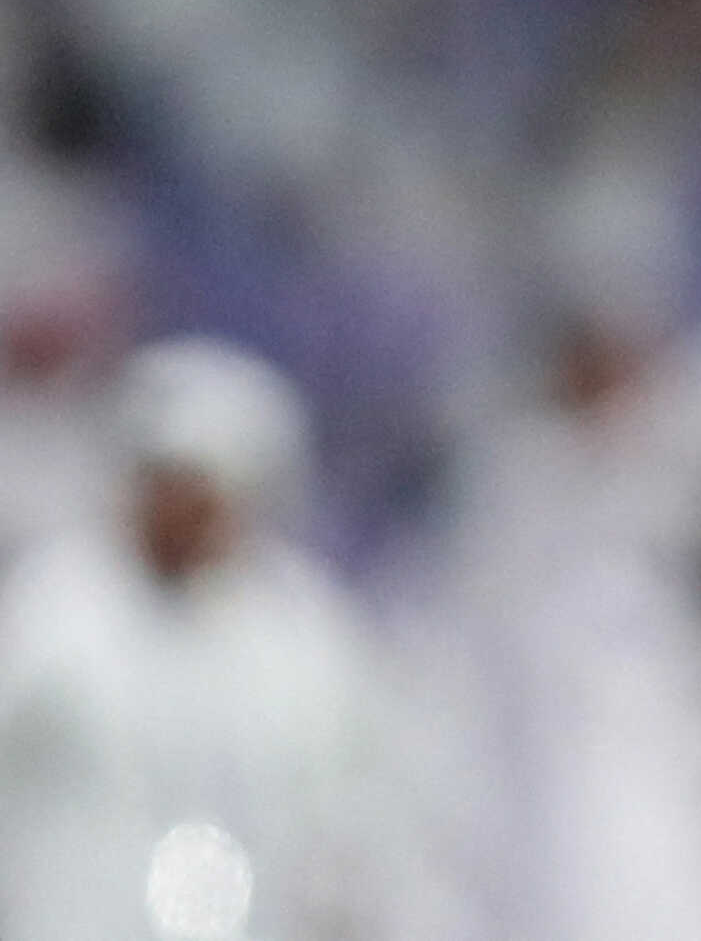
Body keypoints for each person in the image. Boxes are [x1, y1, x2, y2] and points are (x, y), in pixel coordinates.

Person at [0, 336, 421, 941]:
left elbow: (354, 811)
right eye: (160, 486)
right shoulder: (53, 605)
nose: (177, 514)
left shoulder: (299, 629)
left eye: (199, 493)